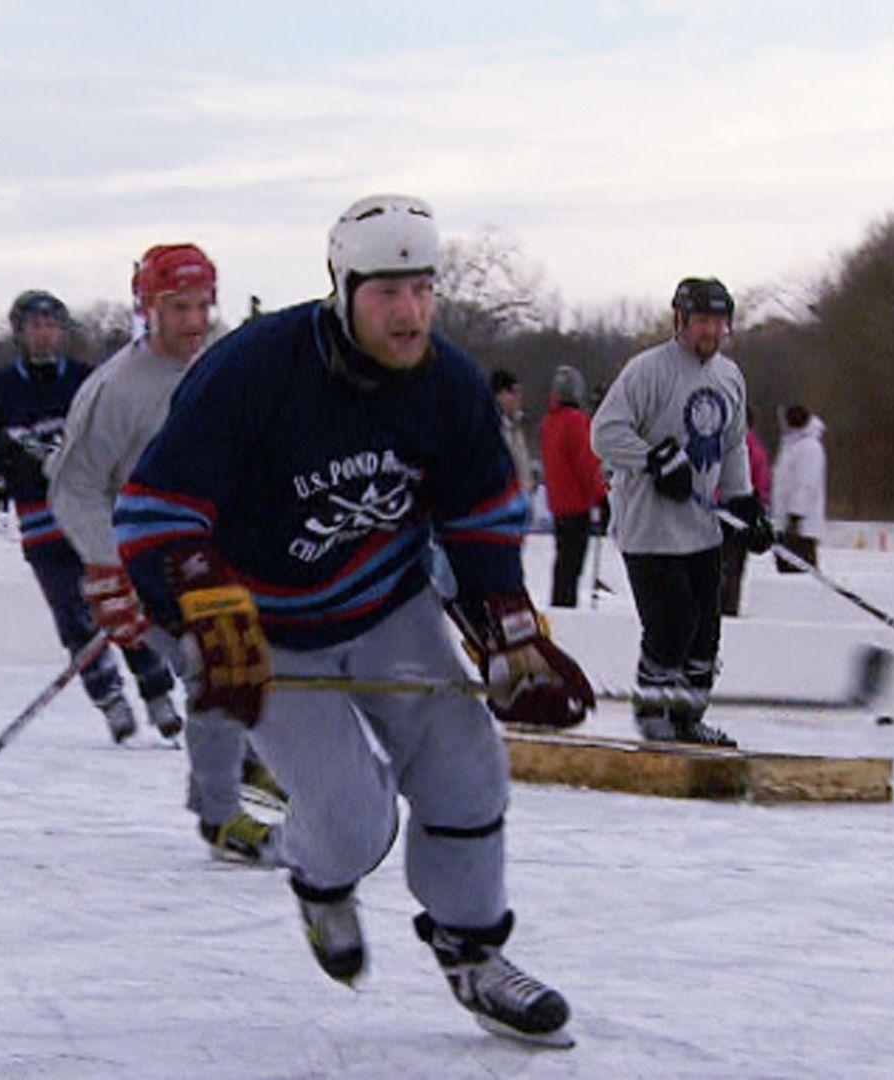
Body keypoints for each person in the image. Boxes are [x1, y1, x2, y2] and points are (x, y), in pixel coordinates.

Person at [118, 195, 592, 1047]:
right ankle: (320, 882)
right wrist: (197, 604)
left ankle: (473, 950)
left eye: (422, 290)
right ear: (342, 287)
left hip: (388, 607)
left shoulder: (447, 384)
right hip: (267, 631)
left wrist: (505, 621)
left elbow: (482, 514)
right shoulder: (252, 370)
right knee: (351, 817)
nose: (409, 313)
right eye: (387, 293)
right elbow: (155, 511)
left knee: (467, 766)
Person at [48, 242, 270, 863]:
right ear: (147, 308)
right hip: (149, 558)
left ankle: (241, 767)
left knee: (258, 658)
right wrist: (104, 568)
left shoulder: (227, 362)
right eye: (178, 308)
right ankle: (220, 815)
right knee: (215, 663)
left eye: (203, 305)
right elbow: (75, 486)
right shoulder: (116, 390)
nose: (195, 321)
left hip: (217, 549)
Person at [0, 289, 144, 742]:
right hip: (42, 529)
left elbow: (127, 434)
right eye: (34, 326)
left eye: (51, 325)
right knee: (73, 619)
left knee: (123, 605)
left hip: (95, 520)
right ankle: (110, 699)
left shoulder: (86, 380)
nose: (44, 334)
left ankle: (155, 690)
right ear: (20, 333)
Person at [592, 277, 775, 747]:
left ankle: (689, 716)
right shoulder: (647, 371)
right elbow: (605, 433)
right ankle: (653, 709)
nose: (711, 331)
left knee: (706, 633)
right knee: (671, 623)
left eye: (720, 322)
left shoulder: (729, 376)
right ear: (681, 321)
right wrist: (652, 457)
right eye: (702, 321)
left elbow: (732, 445)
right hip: (650, 529)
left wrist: (743, 501)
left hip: (703, 528)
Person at [539, 365, 607, 608]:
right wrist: (601, 496)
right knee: (572, 563)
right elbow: (587, 464)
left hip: (558, 504)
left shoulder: (549, 423)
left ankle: (560, 602)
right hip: (577, 504)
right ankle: (566, 606)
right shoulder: (577, 422)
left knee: (562, 562)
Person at [718, 405, 772, 616]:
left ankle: (719, 605)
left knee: (720, 562)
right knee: (735, 565)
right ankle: (730, 604)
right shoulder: (757, 449)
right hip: (745, 515)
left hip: (726, 513)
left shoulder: (728, 447)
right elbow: (763, 484)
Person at [771, 405, 827, 572]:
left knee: (799, 576)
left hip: (801, 528)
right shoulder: (791, 445)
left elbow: (806, 485)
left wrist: (795, 515)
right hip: (785, 523)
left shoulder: (809, 447)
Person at [491, 369, 537, 505]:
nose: (518, 397)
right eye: (513, 392)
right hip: (505, 501)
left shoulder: (516, 426)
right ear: (500, 395)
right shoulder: (494, 429)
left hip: (523, 499)